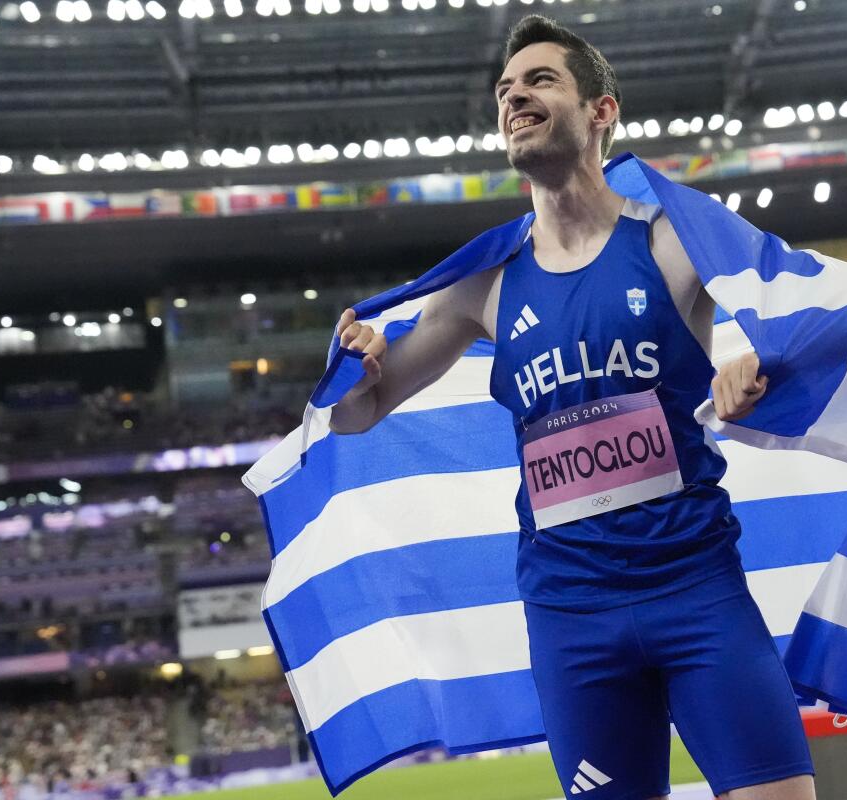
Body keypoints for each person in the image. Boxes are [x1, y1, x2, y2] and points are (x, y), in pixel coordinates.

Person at [329, 15, 816, 800]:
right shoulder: (481, 285)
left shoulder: (674, 241)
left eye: (540, 79)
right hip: (571, 615)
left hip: (697, 588)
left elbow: (813, 317)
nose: (514, 94)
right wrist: (357, 374)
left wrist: (756, 356)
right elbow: (358, 412)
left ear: (602, 111)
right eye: (504, 88)